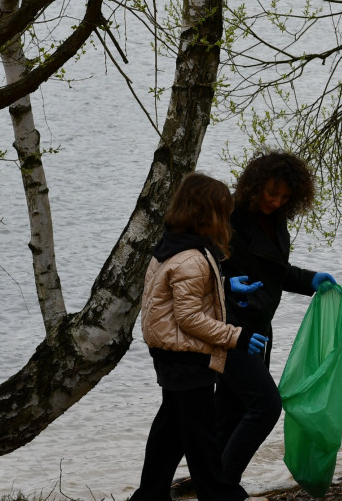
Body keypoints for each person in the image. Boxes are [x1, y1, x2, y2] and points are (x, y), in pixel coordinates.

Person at [132, 172, 269, 501]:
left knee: (171, 432)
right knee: (201, 437)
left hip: (169, 354)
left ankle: (149, 495)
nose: (227, 220)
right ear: (206, 214)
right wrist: (235, 336)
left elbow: (173, 295)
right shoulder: (193, 258)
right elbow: (190, 317)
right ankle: (220, 495)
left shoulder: (172, 245)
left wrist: (224, 286)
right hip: (187, 358)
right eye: (223, 212)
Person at [215, 150, 338, 486]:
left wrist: (309, 280)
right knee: (264, 406)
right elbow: (204, 273)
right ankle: (223, 486)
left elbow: (273, 272)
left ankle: (217, 486)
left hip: (259, 327)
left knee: (233, 412)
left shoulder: (275, 220)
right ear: (255, 185)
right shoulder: (228, 217)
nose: (276, 201)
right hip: (229, 329)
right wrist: (228, 287)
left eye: (285, 197)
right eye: (272, 193)